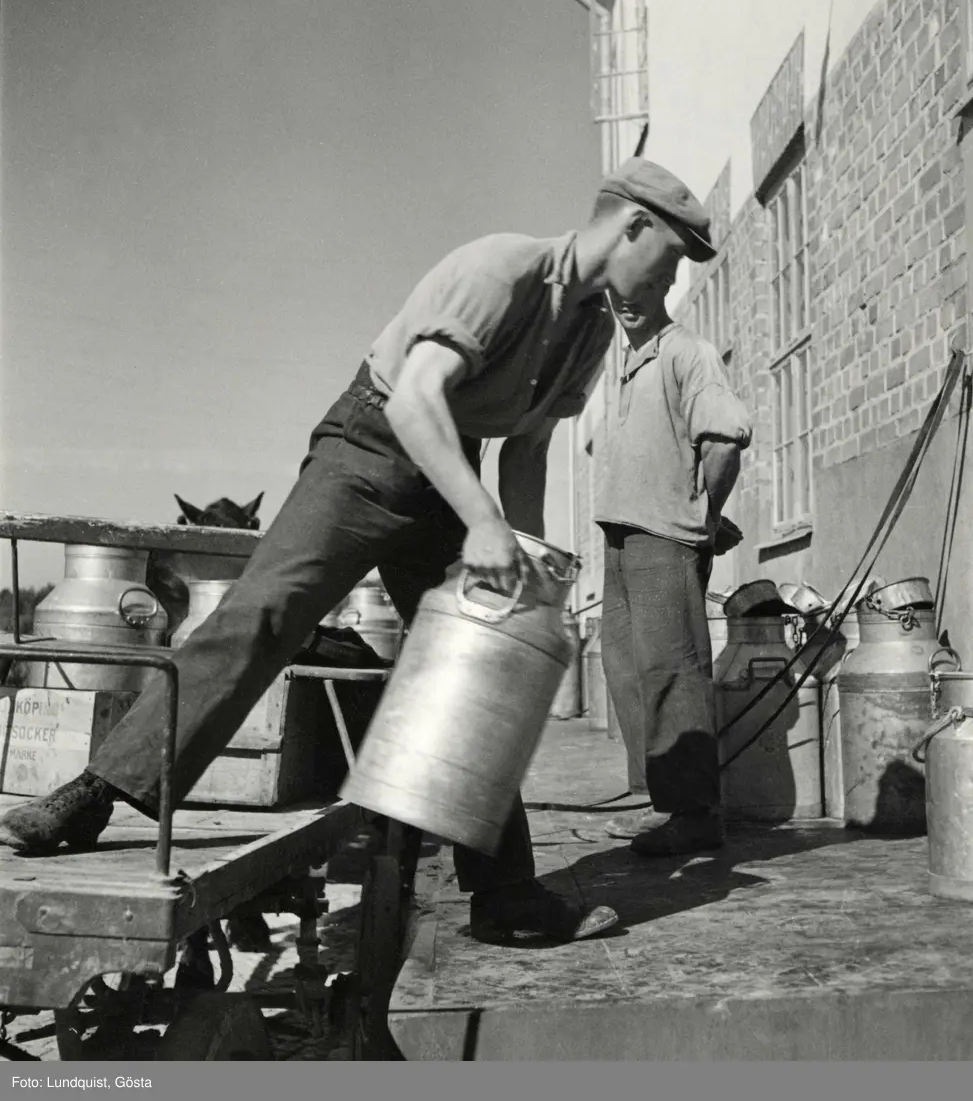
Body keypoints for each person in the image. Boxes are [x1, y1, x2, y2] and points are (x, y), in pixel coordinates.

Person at [0, 158, 717, 944]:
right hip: (369, 445)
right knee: (265, 614)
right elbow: (414, 401)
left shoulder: (591, 331)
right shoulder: (502, 268)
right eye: (671, 260)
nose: (670, 282)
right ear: (634, 226)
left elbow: (528, 450)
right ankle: (94, 794)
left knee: (481, 661)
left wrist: (525, 561)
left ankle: (506, 896)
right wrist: (482, 523)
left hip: (450, 467)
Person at [592, 197, 751, 857]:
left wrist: (704, 517)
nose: (627, 301)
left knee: (671, 672)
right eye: (617, 291)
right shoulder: (626, 364)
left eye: (643, 288)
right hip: (620, 537)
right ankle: (664, 804)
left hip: (665, 539)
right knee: (626, 670)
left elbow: (725, 442)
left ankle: (696, 815)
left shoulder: (690, 352)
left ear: (664, 285)